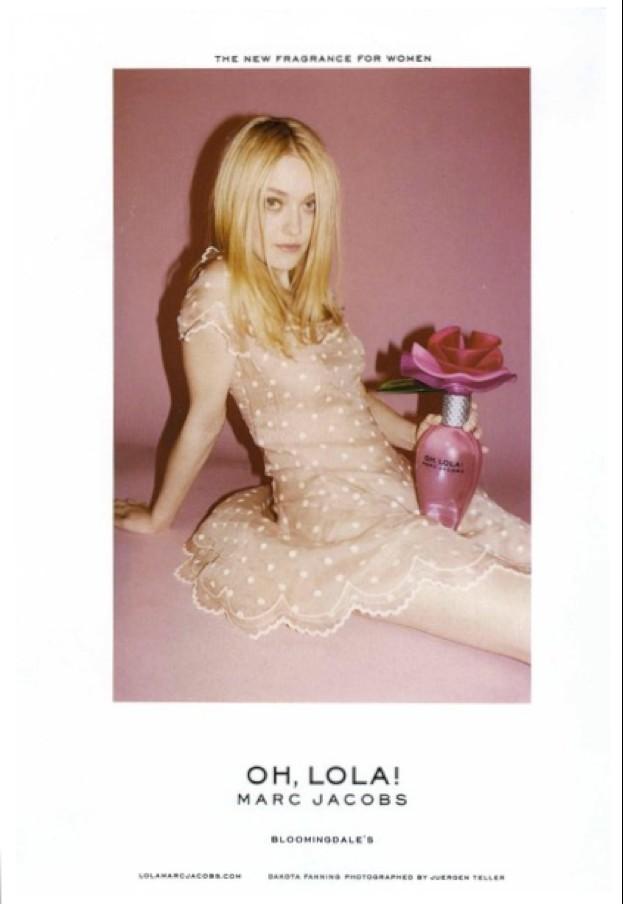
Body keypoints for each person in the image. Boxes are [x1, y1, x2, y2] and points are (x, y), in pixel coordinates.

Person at [115, 115, 530, 662]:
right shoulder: (218, 290)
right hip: (329, 507)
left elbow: (347, 398)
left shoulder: (298, 287)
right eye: (274, 202)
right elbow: (204, 419)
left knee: (537, 550)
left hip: (390, 480)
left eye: (309, 205)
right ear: (238, 200)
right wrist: (157, 517)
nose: (295, 225)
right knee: (527, 617)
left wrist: (422, 438)